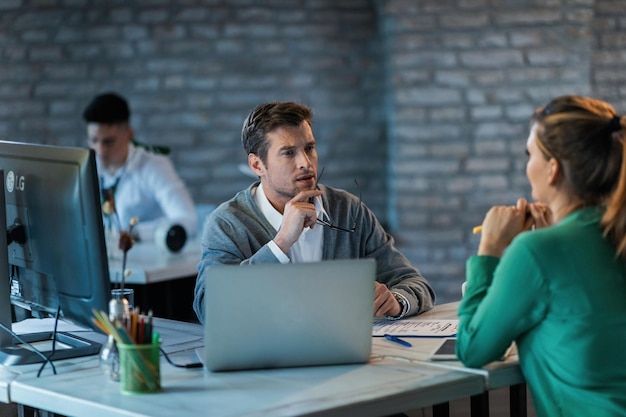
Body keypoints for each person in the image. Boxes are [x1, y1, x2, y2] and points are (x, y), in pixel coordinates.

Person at [456, 95, 626, 417]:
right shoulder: (614, 232)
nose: (526, 165)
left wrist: (490, 247)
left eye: (529, 154)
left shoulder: (535, 251)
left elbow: (472, 349)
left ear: (552, 170)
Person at [193, 101, 435, 323]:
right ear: (257, 165)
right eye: (288, 152)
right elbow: (210, 310)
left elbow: (416, 284)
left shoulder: (348, 210)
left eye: (309, 148)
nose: (306, 163)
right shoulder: (227, 224)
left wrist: (397, 301)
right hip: (269, 362)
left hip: (346, 356)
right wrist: (281, 243)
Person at [82, 92, 198, 243]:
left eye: (109, 142)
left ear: (129, 134)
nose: (100, 150)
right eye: (94, 140)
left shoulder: (154, 166)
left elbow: (189, 221)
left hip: (148, 261)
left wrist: (133, 233)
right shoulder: (88, 167)